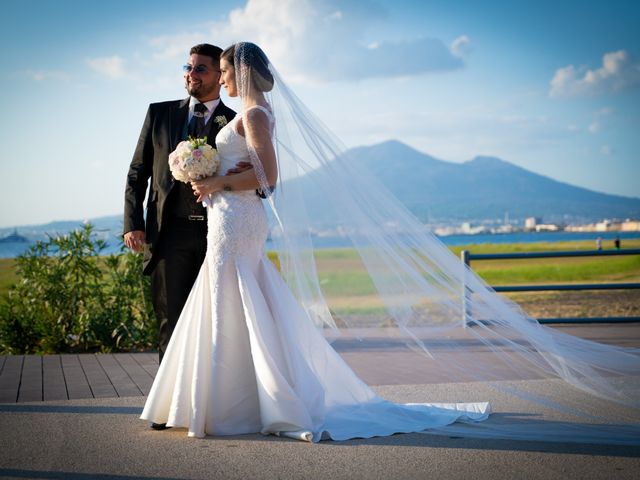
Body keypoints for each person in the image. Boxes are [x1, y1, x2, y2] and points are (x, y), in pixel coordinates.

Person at [141, 42, 639, 444]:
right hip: (228, 220)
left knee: (237, 299)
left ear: (239, 72)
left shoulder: (254, 115)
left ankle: (239, 403)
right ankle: (238, 398)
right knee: (234, 300)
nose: (220, 78)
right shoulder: (250, 112)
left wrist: (217, 184)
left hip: (238, 220)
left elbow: (269, 178)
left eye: (224, 71)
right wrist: (212, 179)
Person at [123, 44, 240, 365]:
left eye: (201, 68)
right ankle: (168, 410)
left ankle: (209, 403)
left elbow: (255, 178)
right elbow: (138, 172)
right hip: (168, 233)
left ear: (221, 75)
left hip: (216, 233)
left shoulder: (235, 123)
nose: (191, 74)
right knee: (169, 321)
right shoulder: (159, 114)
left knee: (217, 322)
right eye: (188, 67)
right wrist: (133, 223)